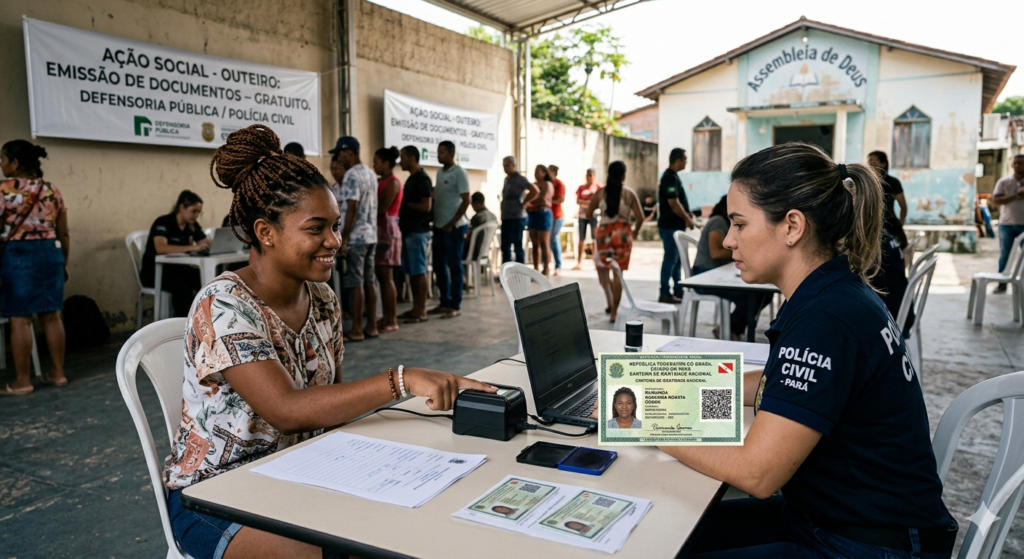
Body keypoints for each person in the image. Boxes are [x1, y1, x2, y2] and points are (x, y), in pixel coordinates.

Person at [164, 124, 495, 559]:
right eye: (316, 228)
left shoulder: (321, 298)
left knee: (417, 522)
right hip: (216, 496)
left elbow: (329, 403)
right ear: (266, 232)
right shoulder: (224, 305)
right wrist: (402, 380)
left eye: (336, 226)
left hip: (300, 472)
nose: (334, 242)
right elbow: (286, 411)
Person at [656, 143, 957, 558]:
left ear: (792, 227)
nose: (727, 240)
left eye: (740, 224)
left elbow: (757, 473)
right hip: (836, 517)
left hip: (866, 542)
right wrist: (680, 387)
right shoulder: (834, 292)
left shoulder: (827, 319)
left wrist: (646, 420)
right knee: (667, 527)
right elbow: (780, 383)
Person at [0, 140, 69, 394]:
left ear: (15, 163)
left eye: (3, 159)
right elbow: (64, 232)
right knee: (52, 315)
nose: (1, 165)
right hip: (51, 253)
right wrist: (64, 263)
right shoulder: (52, 190)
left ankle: (22, 381)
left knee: (20, 318)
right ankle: (58, 374)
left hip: (17, 254)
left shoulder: (3, 190)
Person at [691, 196, 770, 340]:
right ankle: (730, 330)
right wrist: (742, 251)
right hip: (704, 277)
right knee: (752, 295)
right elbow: (716, 253)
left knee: (762, 293)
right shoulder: (718, 221)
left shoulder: (726, 223)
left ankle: (732, 328)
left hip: (716, 275)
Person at [330, 136, 378, 341]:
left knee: (356, 283)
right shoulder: (370, 174)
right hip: (371, 235)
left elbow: (352, 208)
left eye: (340, 154)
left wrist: (345, 237)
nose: (339, 159)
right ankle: (372, 326)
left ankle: (357, 328)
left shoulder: (350, 175)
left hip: (356, 237)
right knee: (369, 281)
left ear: (349, 152)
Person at [587, 161, 642, 322]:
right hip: (623, 234)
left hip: (604, 234)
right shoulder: (629, 194)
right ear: (624, 176)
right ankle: (614, 312)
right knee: (618, 273)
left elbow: (589, 213)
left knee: (603, 270)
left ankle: (609, 302)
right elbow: (640, 218)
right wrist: (635, 233)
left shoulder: (600, 193)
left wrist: (602, 218)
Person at [141, 190, 210, 318]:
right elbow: (161, 248)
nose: (196, 215)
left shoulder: (192, 225)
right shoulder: (163, 222)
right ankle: (183, 325)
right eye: (194, 211)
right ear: (182, 207)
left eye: (199, 212)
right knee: (182, 288)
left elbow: (205, 242)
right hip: (155, 272)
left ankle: (204, 321)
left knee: (204, 280)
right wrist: (193, 247)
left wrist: (207, 246)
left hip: (178, 270)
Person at [430, 141, 470, 319]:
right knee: (439, 265)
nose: (439, 155)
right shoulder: (440, 172)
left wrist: (452, 223)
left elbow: (466, 200)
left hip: (454, 228)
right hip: (439, 226)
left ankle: (456, 304)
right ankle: (444, 302)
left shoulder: (459, 173)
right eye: (438, 152)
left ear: (452, 154)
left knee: (454, 266)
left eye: (442, 152)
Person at [398, 145, 433, 323]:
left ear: (412, 159)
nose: (400, 161)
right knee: (412, 272)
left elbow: (426, 206)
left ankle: (422, 310)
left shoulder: (422, 180)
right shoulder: (412, 179)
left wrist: (405, 204)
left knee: (419, 272)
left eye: (403, 157)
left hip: (417, 232)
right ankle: (415, 308)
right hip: (408, 230)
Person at [657, 148, 694, 304]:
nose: (686, 162)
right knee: (670, 259)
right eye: (685, 159)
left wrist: (688, 213)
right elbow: (673, 202)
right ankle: (664, 292)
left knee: (677, 260)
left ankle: (678, 290)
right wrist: (687, 219)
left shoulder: (674, 177)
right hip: (670, 226)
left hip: (675, 225)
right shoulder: (669, 178)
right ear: (678, 160)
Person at [373, 146, 402, 334]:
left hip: (388, 229)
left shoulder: (392, 183)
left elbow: (382, 208)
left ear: (386, 163)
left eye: (376, 163)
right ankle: (387, 317)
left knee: (386, 277)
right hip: (381, 229)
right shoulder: (381, 181)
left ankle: (392, 319)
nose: (374, 166)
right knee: (382, 277)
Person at [992, 153, 1024, 293]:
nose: (1017, 166)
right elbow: (995, 201)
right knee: (1005, 254)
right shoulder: (1004, 182)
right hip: (1007, 224)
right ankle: (1002, 284)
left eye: (1020, 163)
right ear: (1012, 165)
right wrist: (1015, 196)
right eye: (1015, 163)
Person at [499, 156, 538, 264]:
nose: (505, 168)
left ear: (514, 166)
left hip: (516, 217)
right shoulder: (506, 179)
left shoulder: (520, 179)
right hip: (506, 217)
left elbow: (534, 190)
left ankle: (520, 273)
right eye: (503, 165)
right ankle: (507, 273)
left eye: (507, 165)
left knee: (517, 246)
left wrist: (525, 202)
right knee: (505, 247)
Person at [867, 150, 908, 250]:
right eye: (869, 164)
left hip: (890, 225)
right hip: (871, 226)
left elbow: (903, 206)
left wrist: (901, 222)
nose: (871, 166)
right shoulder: (867, 183)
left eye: (874, 163)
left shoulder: (892, 182)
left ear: (883, 164)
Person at [465, 192, 497, 290]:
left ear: (477, 203)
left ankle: (464, 282)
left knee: (455, 252)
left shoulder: (477, 217)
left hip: (474, 252)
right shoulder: (493, 216)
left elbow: (468, 237)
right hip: (485, 253)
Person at [527, 165, 554, 276]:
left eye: (538, 172)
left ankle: (546, 268)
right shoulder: (533, 185)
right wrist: (532, 201)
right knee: (534, 243)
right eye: (535, 172)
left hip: (543, 214)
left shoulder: (547, 184)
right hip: (532, 214)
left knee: (544, 243)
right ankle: (536, 268)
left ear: (544, 173)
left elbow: (543, 200)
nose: (536, 174)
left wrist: (530, 201)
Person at [572, 168, 601, 271]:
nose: (589, 178)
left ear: (594, 176)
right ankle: (579, 262)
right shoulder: (581, 187)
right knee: (581, 239)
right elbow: (578, 200)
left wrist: (587, 203)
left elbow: (600, 200)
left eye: (591, 175)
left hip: (594, 217)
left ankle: (596, 262)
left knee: (595, 240)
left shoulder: (598, 187)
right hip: (582, 216)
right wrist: (590, 203)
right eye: (587, 175)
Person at [547, 165, 567, 276]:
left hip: (557, 216)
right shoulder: (546, 183)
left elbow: (561, 199)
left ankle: (558, 266)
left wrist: (548, 201)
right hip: (548, 215)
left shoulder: (559, 184)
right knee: (548, 241)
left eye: (549, 171)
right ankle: (547, 264)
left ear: (554, 172)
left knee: (554, 239)